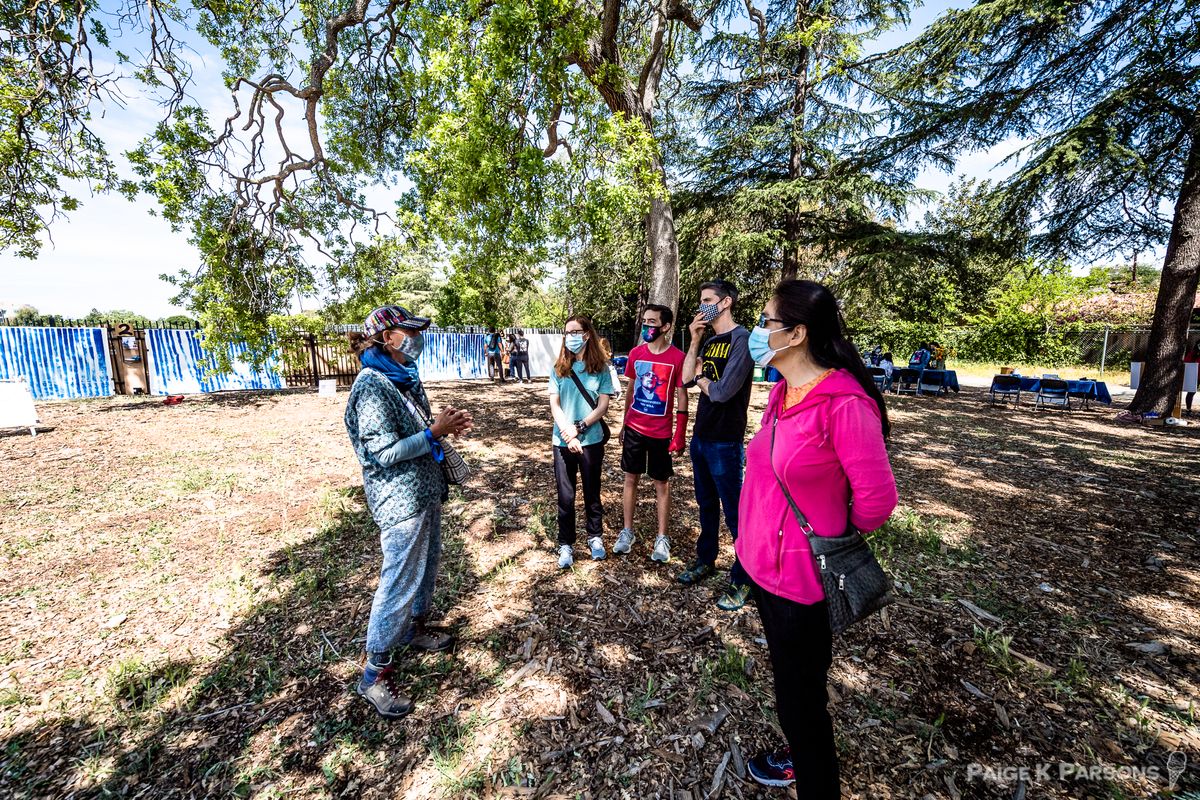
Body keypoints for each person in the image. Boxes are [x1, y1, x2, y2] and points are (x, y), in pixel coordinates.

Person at [736, 280, 898, 794]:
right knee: (794, 689)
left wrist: (826, 534)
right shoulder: (783, 393)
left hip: (801, 584)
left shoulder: (844, 404)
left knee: (800, 702)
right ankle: (798, 751)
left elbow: (877, 501)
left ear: (798, 334)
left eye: (766, 323)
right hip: (763, 570)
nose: (757, 333)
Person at [344, 305, 474, 719]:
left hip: (424, 491)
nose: (415, 337)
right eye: (408, 331)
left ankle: (414, 630)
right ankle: (374, 674)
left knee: (426, 566)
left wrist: (441, 427)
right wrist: (434, 432)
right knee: (399, 578)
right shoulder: (371, 386)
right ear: (386, 337)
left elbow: (416, 432)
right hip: (399, 499)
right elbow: (382, 453)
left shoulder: (403, 376)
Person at [680, 280, 755, 611]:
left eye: (708, 301)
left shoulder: (743, 340)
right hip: (701, 437)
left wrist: (701, 379)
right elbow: (684, 378)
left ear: (725, 303)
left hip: (726, 441)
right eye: (701, 301)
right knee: (706, 505)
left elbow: (723, 392)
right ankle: (705, 559)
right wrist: (695, 340)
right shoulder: (709, 340)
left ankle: (743, 578)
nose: (702, 306)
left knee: (736, 513)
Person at [614, 304, 688, 562]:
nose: (647, 326)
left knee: (661, 483)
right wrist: (624, 423)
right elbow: (631, 390)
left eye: (652, 322)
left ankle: (662, 537)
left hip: (660, 432)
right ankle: (627, 532)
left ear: (665, 327)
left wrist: (680, 432)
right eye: (645, 321)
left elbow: (681, 394)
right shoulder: (636, 353)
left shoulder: (678, 357)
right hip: (635, 427)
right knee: (630, 478)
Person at [549, 316, 615, 568]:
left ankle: (595, 537)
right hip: (562, 440)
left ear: (587, 334)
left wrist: (579, 428)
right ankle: (565, 543)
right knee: (566, 496)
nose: (571, 336)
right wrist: (567, 431)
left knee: (592, 492)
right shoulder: (558, 367)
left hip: (591, 440)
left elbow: (603, 405)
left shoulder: (601, 368)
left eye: (576, 331)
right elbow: (554, 403)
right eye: (567, 332)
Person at [1185, 339, 1199, 415]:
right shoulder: (1192, 354)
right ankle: (1188, 409)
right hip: (1194, 376)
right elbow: (1186, 363)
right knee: (1191, 392)